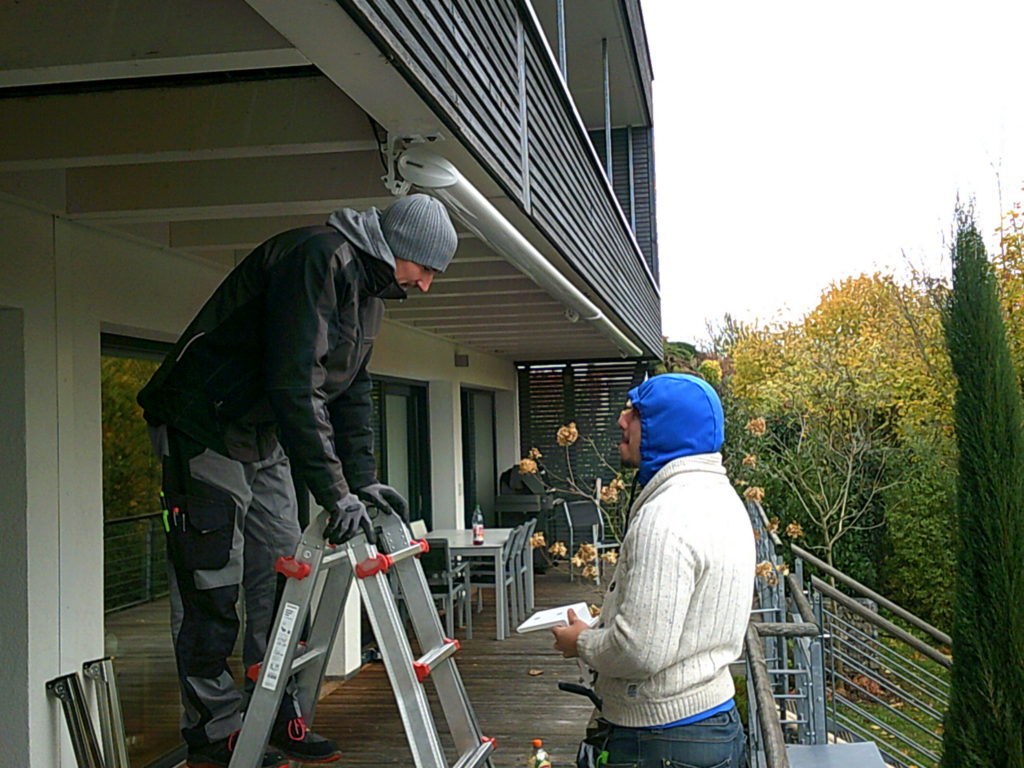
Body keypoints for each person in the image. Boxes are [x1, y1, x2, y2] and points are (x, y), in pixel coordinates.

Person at [138, 194, 458, 768]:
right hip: (205, 423)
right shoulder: (318, 258)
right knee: (211, 582)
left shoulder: (370, 295)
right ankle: (214, 734)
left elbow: (351, 392)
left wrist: (361, 481)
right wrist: (333, 492)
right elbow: (294, 384)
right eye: (427, 269)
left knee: (285, 573)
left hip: (263, 435)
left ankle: (272, 712)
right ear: (400, 249)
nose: (426, 285)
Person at [552, 373, 755, 768]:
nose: (621, 421)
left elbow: (638, 651)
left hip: (661, 740)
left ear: (667, 427)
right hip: (711, 724)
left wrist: (581, 643)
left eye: (636, 412)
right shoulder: (722, 498)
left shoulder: (666, 517)